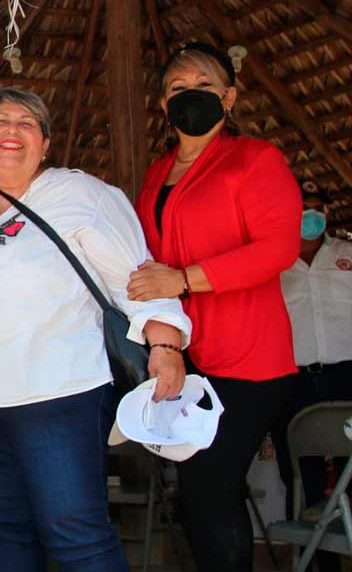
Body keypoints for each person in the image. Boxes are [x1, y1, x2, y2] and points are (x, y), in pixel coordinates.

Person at [0, 86, 191, 571]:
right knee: (8, 532)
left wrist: (166, 341)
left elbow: (136, 277)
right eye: (0, 121)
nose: (12, 130)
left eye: (27, 123)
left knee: (76, 534)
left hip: (56, 395)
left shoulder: (83, 195)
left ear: (46, 144)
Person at [129, 42, 301, 572]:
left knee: (210, 491)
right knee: (198, 499)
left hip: (249, 358)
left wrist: (184, 279)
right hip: (185, 357)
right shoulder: (157, 174)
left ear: (228, 96)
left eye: (204, 85)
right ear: (163, 105)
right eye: (177, 88)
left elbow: (278, 248)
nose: (190, 95)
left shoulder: (255, 159)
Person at [272, 179, 352, 572]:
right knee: (300, 472)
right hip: (294, 378)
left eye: (319, 208)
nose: (313, 216)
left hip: (347, 375)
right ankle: (316, 561)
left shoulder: (348, 256)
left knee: (350, 472)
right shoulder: (273, 261)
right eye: (305, 208)